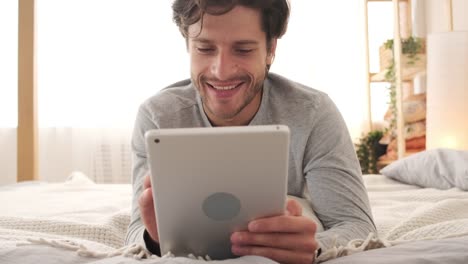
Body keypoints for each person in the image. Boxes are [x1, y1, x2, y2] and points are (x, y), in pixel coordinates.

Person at [125, 0, 376, 263]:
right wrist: (154, 240)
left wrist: (313, 246)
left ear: (271, 50)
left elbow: (357, 225)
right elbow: (134, 233)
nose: (221, 71)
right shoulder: (157, 117)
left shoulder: (313, 113)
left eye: (243, 50)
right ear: (188, 46)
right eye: (204, 48)